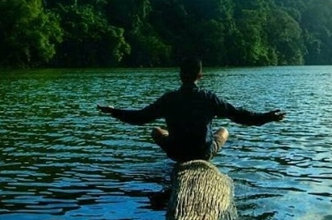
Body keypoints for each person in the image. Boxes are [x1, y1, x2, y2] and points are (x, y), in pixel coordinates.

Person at [97, 57, 286, 163]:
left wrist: (113, 111)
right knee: (224, 130)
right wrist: (267, 117)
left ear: (180, 76)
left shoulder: (169, 99)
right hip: (202, 154)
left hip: (176, 153)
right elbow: (239, 115)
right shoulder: (208, 98)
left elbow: (139, 117)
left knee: (156, 131)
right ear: (200, 75)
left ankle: (180, 143)